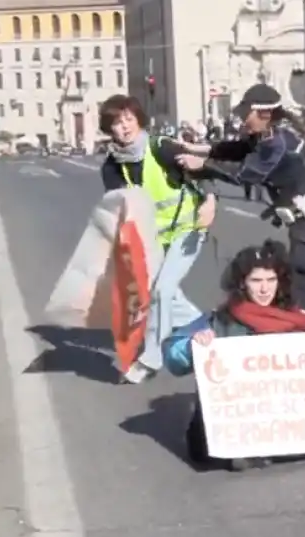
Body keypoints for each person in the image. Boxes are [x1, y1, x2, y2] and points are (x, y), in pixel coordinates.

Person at [162, 239, 305, 471]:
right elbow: (173, 358)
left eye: (271, 280)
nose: (264, 289)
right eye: (256, 281)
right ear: (242, 283)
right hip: (224, 431)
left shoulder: (297, 317)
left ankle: (270, 446)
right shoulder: (221, 320)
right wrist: (193, 344)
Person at [175, 83, 305, 321]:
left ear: (264, 113)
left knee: (303, 278)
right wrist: (202, 149)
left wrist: (202, 166)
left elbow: (246, 173)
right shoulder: (269, 133)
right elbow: (239, 149)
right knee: (300, 279)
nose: (242, 119)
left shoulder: (278, 141)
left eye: (246, 113)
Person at [98, 94, 219, 384]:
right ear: (109, 129)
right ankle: (208, 326)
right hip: (154, 238)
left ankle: (150, 360)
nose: (124, 127)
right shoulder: (112, 167)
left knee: (164, 291)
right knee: (153, 292)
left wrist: (210, 201)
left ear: (138, 119)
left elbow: (200, 168)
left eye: (129, 119)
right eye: (117, 123)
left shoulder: (160, 147)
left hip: (188, 228)